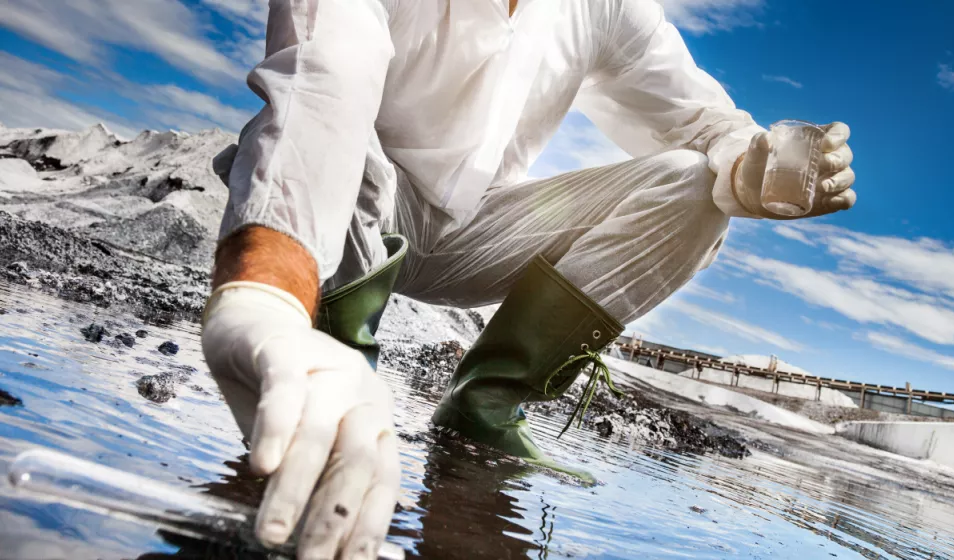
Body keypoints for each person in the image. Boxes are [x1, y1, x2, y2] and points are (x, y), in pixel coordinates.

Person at [201, 1, 857, 558]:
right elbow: (323, 84)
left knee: (694, 186)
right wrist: (264, 295)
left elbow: (702, 123)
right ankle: (330, 363)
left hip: (478, 233)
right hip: (353, 201)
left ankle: (485, 405)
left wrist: (751, 168)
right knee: (359, 148)